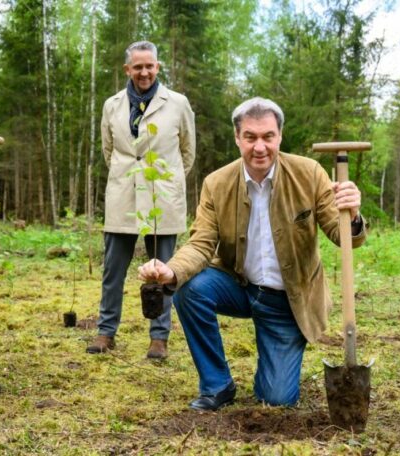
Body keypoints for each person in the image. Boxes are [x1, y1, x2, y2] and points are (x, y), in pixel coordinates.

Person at [137, 97, 366, 410]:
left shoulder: (309, 174)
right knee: (189, 288)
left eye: (268, 136)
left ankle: (271, 368)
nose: (260, 147)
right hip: (239, 286)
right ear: (237, 138)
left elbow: (343, 236)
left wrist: (351, 213)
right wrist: (172, 270)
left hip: (288, 301)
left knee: (276, 399)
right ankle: (217, 385)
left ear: (279, 136)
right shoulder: (216, 183)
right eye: (250, 137)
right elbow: (201, 243)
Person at [87, 40, 196, 359]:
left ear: (157, 67)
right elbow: (109, 150)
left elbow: (187, 152)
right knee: (113, 270)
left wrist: (167, 179)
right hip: (123, 195)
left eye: (149, 66)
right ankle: (106, 332)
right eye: (138, 67)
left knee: (162, 271)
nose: (144, 72)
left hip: (162, 197)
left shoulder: (178, 103)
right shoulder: (112, 105)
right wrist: (129, 176)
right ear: (128, 69)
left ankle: (159, 337)